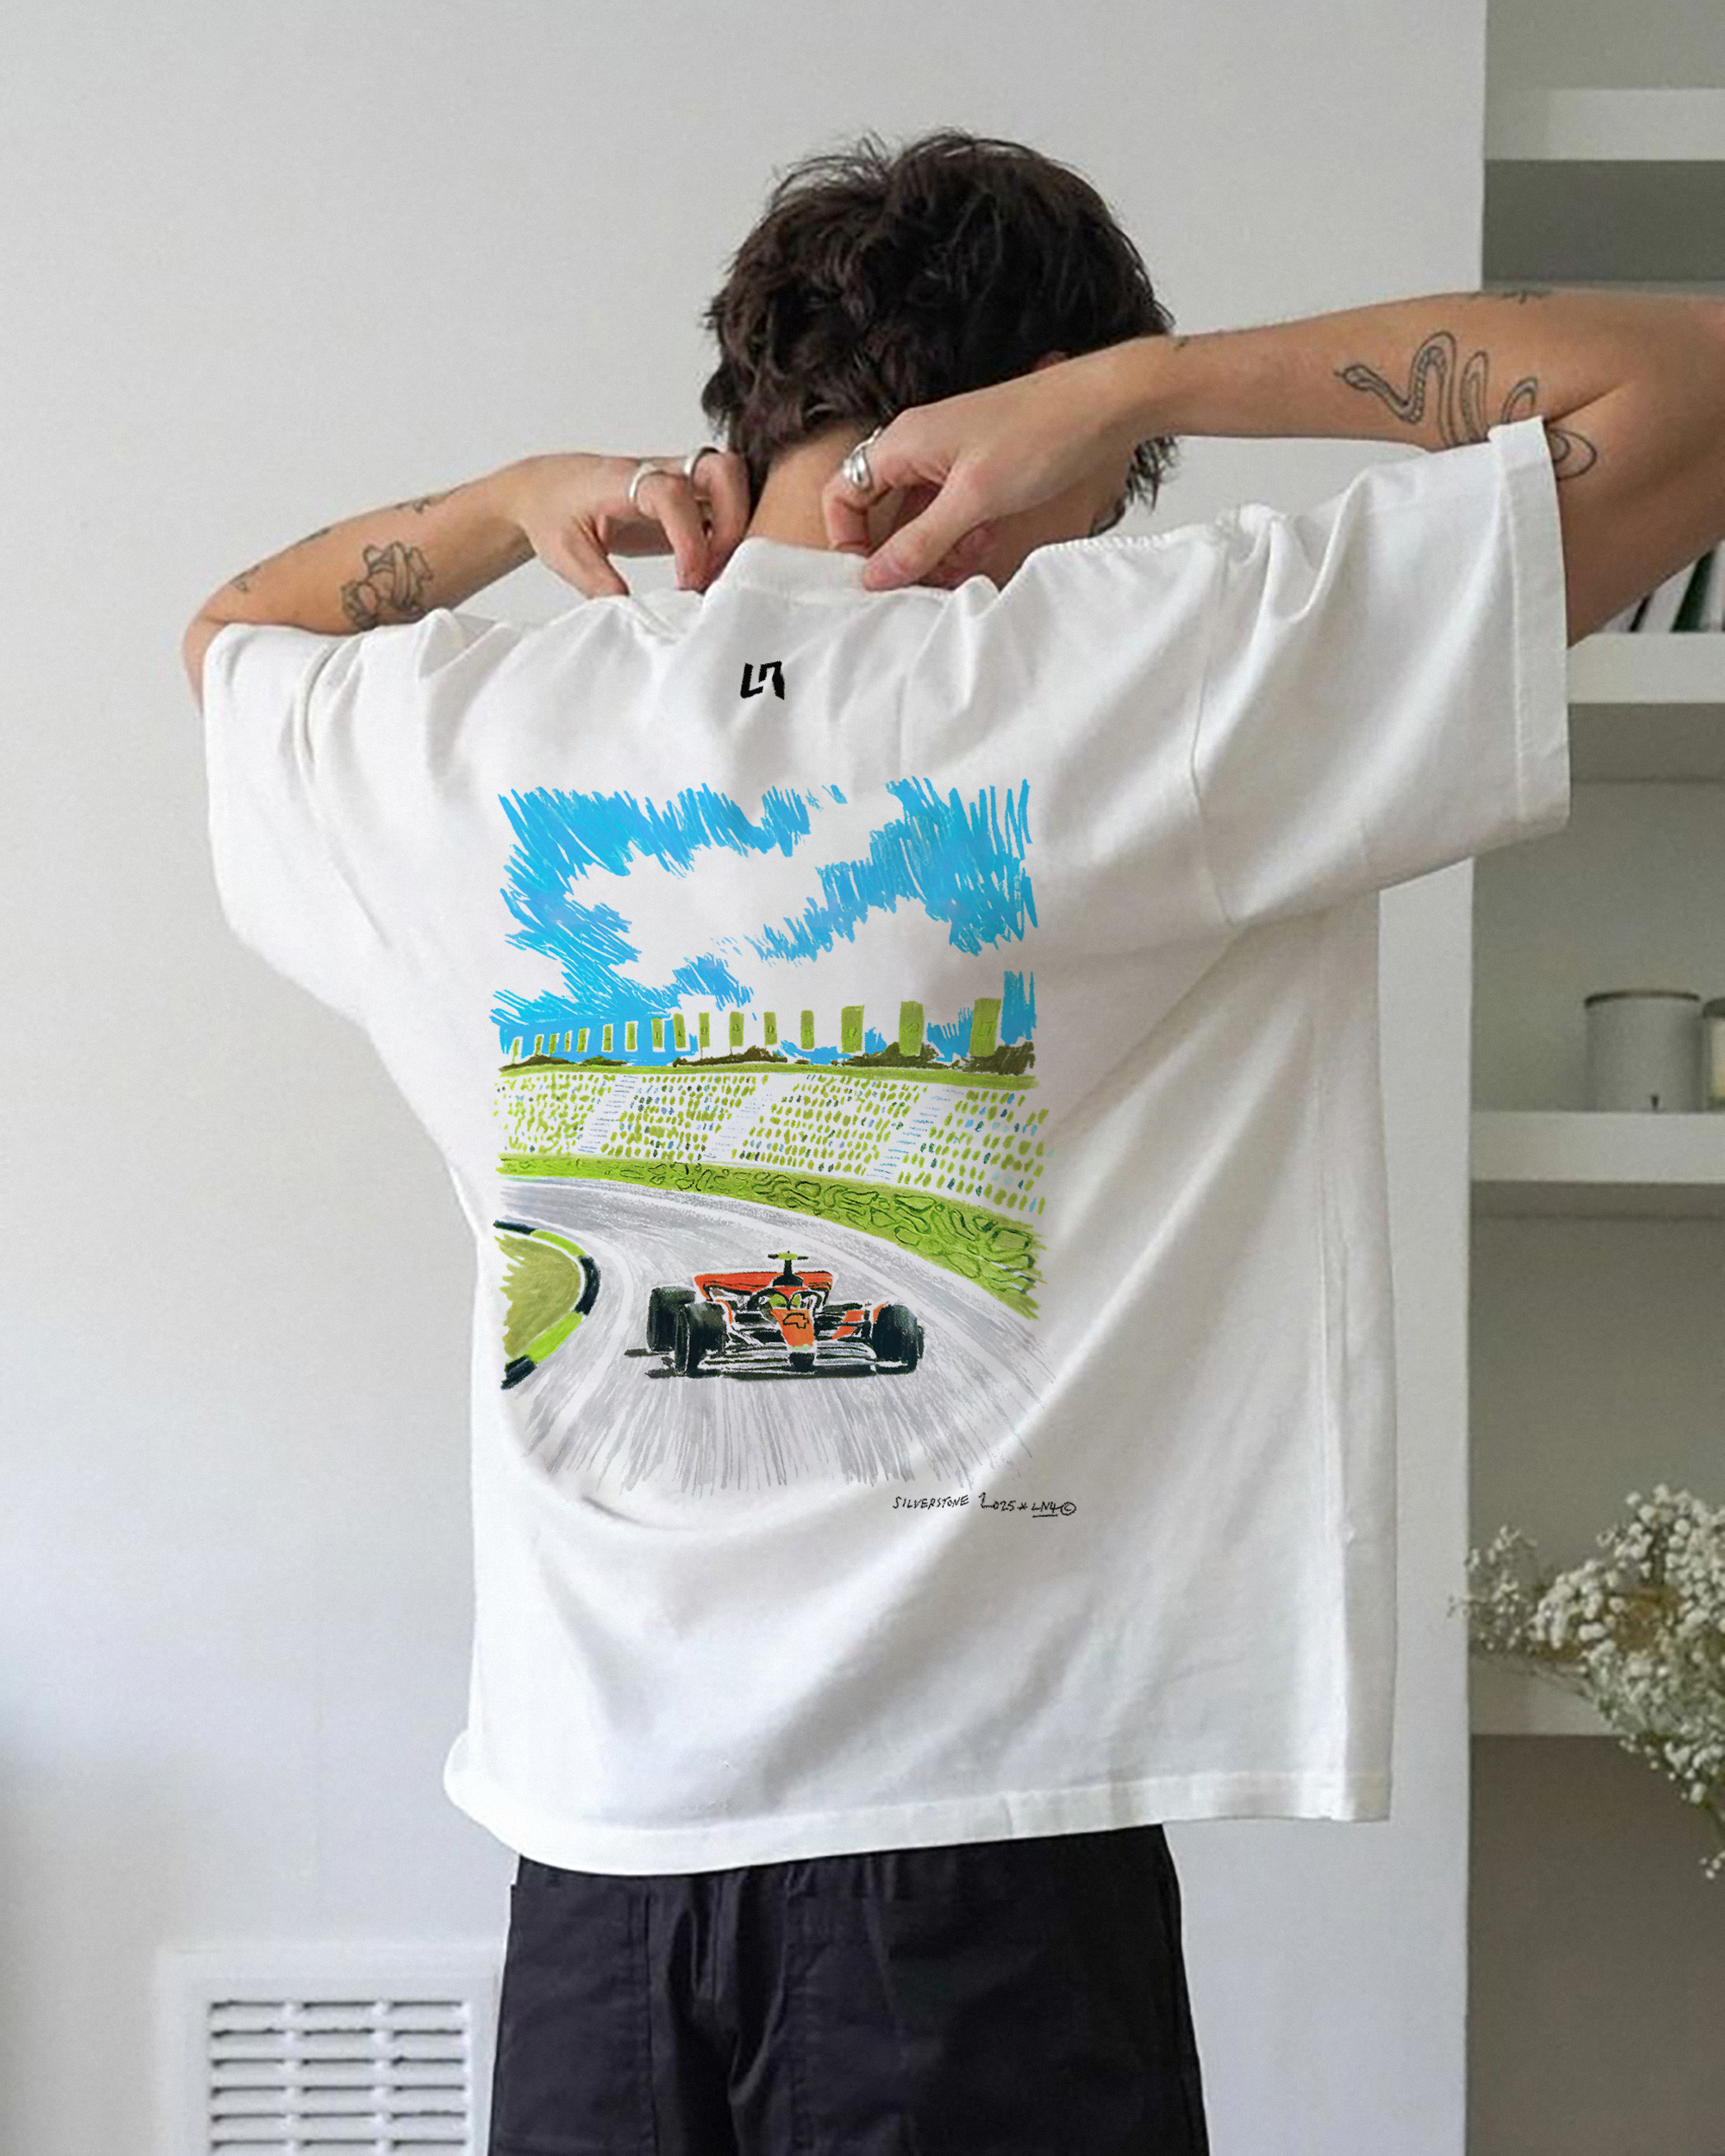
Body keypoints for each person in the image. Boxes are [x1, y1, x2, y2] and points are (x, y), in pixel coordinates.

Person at [180, 125, 1725, 2156]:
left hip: (591, 1879)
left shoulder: (464, 743)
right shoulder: (1134, 673)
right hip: (980, 1870)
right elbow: (1692, 395)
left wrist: (501, 504)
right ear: (1035, 441)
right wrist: (1146, 388)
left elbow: (230, 642)